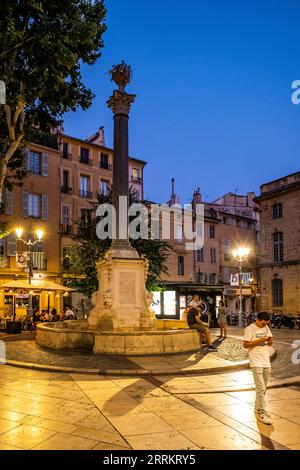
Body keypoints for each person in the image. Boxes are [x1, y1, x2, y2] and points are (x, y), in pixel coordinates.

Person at [243, 311, 273, 425]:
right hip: (255, 360)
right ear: (258, 319)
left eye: (267, 323)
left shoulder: (266, 327)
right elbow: (245, 344)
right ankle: (262, 411)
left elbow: (270, 344)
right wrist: (259, 340)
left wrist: (269, 340)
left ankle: (257, 407)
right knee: (260, 387)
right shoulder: (250, 329)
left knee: (264, 387)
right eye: (263, 323)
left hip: (266, 360)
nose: (265, 325)